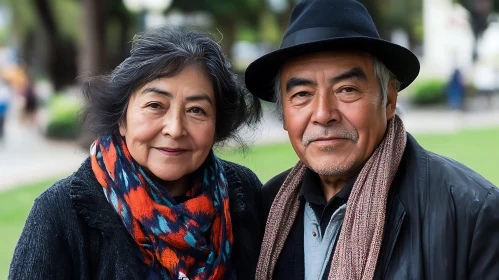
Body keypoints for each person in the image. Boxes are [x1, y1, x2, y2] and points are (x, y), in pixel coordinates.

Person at [245, 0, 499, 279]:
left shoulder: (470, 210)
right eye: (302, 94)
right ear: (284, 115)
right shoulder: (265, 209)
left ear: (389, 99)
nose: (323, 114)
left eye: (347, 89)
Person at [10, 26, 263, 279]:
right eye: (155, 105)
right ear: (122, 118)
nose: (175, 129)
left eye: (196, 110)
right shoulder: (59, 214)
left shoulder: (244, 193)